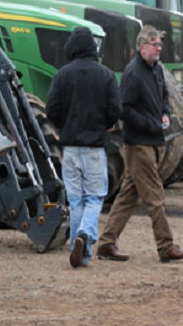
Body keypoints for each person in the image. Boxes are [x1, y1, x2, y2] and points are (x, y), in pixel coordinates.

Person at [96, 25, 183, 263]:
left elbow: (163, 98)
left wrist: (165, 114)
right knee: (154, 195)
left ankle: (106, 243)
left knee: (128, 195)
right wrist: (150, 125)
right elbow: (124, 109)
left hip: (151, 141)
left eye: (159, 44)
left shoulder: (156, 70)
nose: (159, 48)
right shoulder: (132, 73)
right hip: (138, 144)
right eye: (154, 44)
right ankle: (166, 246)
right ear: (142, 47)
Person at [46, 26, 121, 269]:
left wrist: (65, 126)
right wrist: (102, 126)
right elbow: (115, 111)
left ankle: (80, 253)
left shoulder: (62, 75)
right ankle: (84, 236)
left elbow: (51, 110)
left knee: (76, 201)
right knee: (96, 197)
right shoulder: (107, 75)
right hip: (94, 149)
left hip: (69, 149)